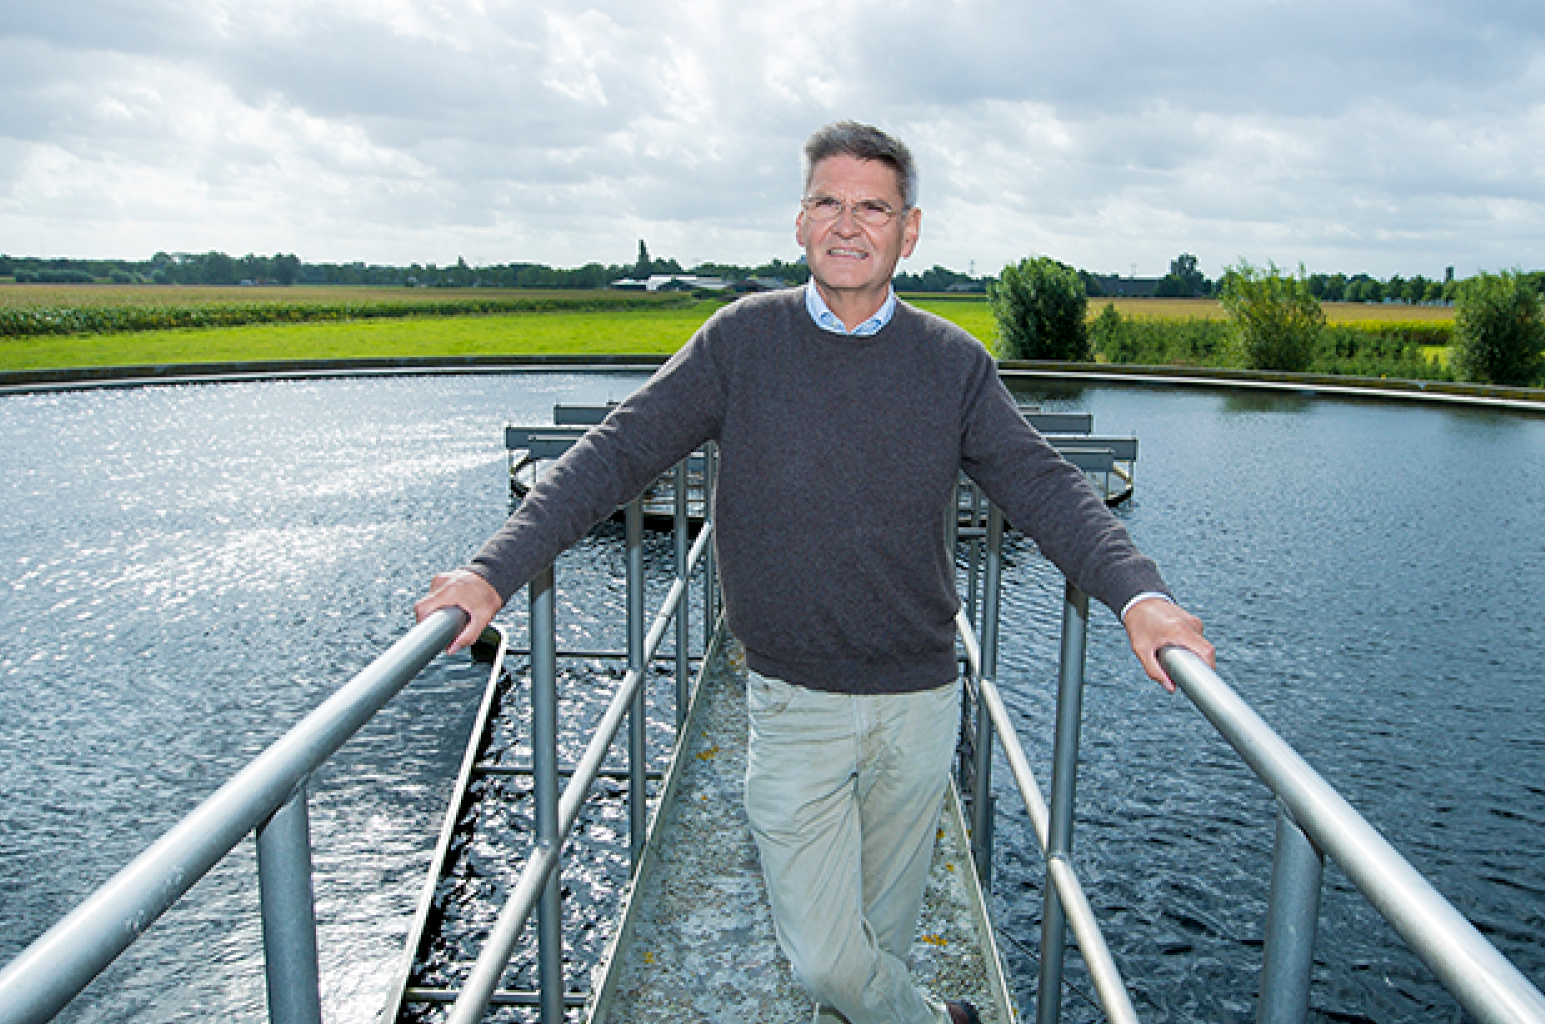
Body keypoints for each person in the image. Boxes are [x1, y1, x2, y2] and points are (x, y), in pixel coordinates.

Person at [414, 121, 1211, 1024]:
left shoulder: (951, 364)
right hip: (792, 703)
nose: (847, 224)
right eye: (826, 202)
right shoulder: (741, 343)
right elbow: (615, 453)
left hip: (917, 705)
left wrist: (1137, 595)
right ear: (799, 224)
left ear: (909, 232)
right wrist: (493, 572)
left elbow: (1046, 488)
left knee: (882, 942)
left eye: (872, 206)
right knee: (830, 962)